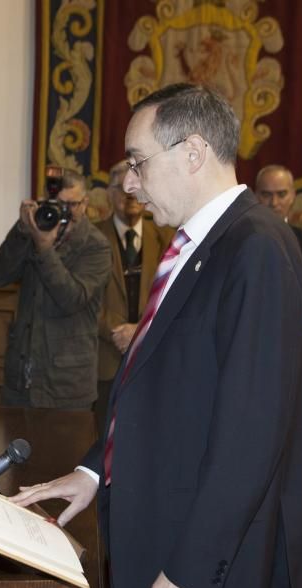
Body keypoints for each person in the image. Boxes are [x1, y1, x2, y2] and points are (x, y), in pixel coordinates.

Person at [11, 84, 302, 588]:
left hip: (181, 559)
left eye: (137, 161)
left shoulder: (255, 250)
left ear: (193, 153)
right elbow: (153, 389)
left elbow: (253, 431)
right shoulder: (198, 246)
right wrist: (93, 471)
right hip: (152, 533)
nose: (129, 183)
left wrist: (194, 567)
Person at [0, 169, 110, 409]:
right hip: (20, 383)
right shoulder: (35, 232)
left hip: (66, 387)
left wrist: (44, 249)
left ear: (85, 203)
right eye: (56, 204)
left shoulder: (96, 246)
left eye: (70, 205)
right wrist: (22, 231)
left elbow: (72, 298)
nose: (63, 213)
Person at [94, 160, 174, 425]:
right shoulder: (92, 237)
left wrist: (139, 330)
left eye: (136, 187)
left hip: (150, 357)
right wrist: (118, 331)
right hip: (103, 359)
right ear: (109, 193)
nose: (130, 196)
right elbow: (84, 301)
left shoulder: (167, 237)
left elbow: (173, 295)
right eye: (121, 189)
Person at [255, 165, 302, 383]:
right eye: (266, 194)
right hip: (250, 352)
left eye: (281, 194)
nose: (274, 203)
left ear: (293, 196)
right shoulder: (238, 240)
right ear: (254, 195)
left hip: (293, 353)